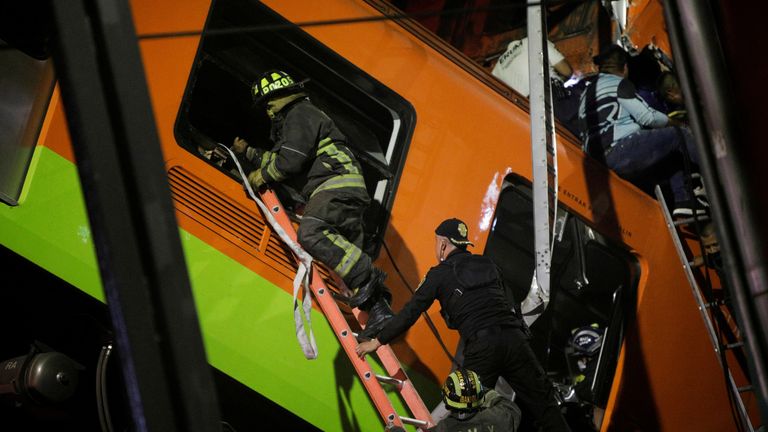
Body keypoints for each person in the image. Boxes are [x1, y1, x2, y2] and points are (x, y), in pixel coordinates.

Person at [356, 218, 571, 431]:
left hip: (483, 346)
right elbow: (509, 303)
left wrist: (377, 341)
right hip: (515, 341)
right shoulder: (489, 264)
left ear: (442, 243)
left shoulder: (438, 274)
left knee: (465, 411)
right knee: (545, 405)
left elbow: (410, 312)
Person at [235, 69, 392, 340]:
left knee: (311, 233)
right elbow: (280, 158)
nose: (268, 112)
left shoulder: (299, 114)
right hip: (339, 188)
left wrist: (260, 175)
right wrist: (248, 152)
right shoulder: (299, 120)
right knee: (346, 261)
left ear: (281, 96)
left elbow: (289, 162)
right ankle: (380, 313)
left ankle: (368, 277)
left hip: (335, 185)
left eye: (268, 104)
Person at [577, 45, 707, 216]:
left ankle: (684, 201)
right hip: (621, 150)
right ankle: (717, 174)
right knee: (679, 135)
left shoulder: (586, 94)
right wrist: (677, 123)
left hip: (599, 163)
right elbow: (648, 117)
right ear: (625, 67)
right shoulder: (620, 84)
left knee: (667, 149)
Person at [428, 368, 521, 432]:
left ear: (447, 401)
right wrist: (476, 389)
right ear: (480, 396)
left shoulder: (444, 428)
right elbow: (511, 408)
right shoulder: (498, 417)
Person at [491, 35, 573, 98]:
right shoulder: (536, 40)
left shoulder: (499, 64)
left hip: (521, 107)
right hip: (548, 97)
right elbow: (567, 71)